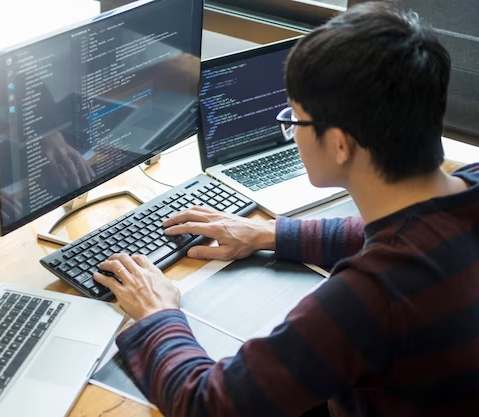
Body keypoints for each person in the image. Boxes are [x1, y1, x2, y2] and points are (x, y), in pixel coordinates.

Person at [92, 2, 479, 416]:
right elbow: (403, 233)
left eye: (295, 120)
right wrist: (271, 234)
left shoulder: (371, 295)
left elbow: (208, 405)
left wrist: (157, 312)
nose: (291, 133)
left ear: (340, 144)